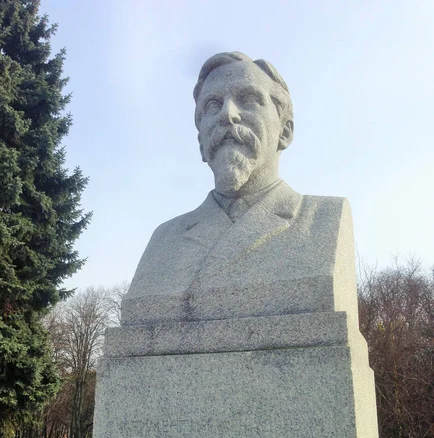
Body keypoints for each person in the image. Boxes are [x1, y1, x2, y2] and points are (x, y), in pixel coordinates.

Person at [122, 52, 356, 325]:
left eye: (248, 100)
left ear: (286, 131)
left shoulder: (323, 220)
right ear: (201, 142)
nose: (228, 115)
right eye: (212, 105)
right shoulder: (163, 241)